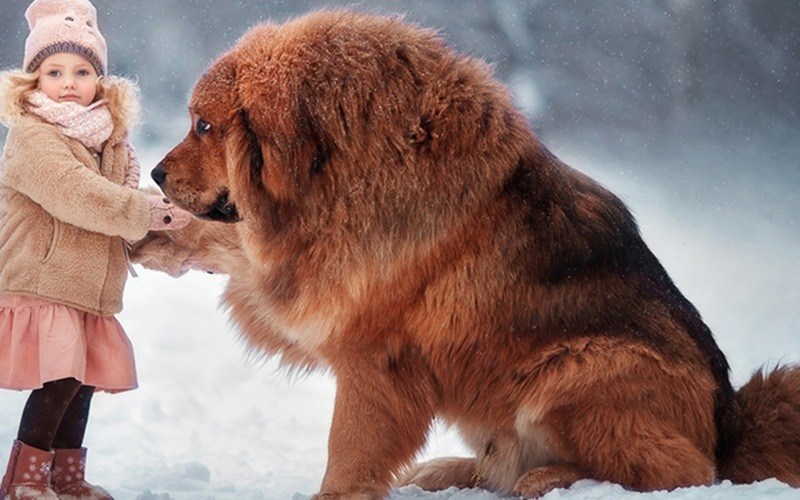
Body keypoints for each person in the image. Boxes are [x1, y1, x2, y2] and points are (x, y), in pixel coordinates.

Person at [0, 1, 192, 498]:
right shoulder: (32, 139)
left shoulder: (109, 145)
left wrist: (184, 234)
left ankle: (66, 478)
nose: (68, 82)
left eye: (82, 71)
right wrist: (147, 213)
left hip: (86, 286)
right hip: (44, 281)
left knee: (79, 384)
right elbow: (78, 195)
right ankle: (25, 481)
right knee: (59, 381)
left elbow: (123, 206)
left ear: (100, 81)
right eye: (54, 71)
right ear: (32, 80)